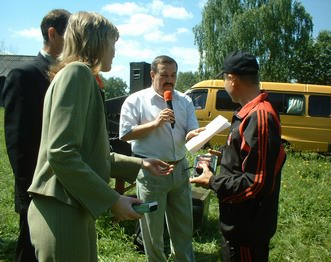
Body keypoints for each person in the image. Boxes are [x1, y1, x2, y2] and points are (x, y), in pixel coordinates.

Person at [26, 12, 172, 262]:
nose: (115, 52)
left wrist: (141, 163)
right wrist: (112, 200)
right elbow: (62, 153)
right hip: (62, 209)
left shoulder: (77, 75)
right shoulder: (78, 74)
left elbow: (88, 153)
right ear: (96, 42)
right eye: (113, 44)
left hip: (71, 205)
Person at [190, 50, 286, 262]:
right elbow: (247, 157)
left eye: (224, 79)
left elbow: (257, 182)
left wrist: (213, 181)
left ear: (232, 79)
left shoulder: (259, 115)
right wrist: (225, 155)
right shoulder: (248, 111)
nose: (225, 84)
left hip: (246, 229)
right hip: (238, 222)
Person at [2, 9, 71, 262]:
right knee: (30, 251)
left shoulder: (72, 75)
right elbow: (18, 142)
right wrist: (30, 193)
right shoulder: (24, 75)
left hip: (67, 187)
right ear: (53, 34)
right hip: (37, 188)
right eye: (71, 35)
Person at [119, 55, 203, 261]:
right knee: (152, 230)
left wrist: (194, 134)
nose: (170, 80)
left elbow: (190, 130)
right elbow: (125, 134)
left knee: (183, 227)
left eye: (173, 75)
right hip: (151, 173)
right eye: (164, 75)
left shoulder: (184, 100)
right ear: (152, 74)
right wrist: (155, 124)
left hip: (180, 170)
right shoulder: (136, 100)